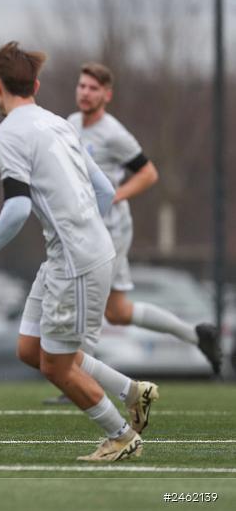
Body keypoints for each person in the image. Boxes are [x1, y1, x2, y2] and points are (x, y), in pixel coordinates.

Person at [0, 42, 156, 462]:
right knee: (30, 349)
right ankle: (131, 391)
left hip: (75, 261)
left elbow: (17, 207)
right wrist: (84, 231)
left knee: (56, 366)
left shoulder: (8, 133)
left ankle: (121, 435)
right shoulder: (59, 123)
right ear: (37, 85)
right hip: (68, 255)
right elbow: (104, 190)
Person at [68, 63, 221, 373]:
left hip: (111, 228)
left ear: (107, 95)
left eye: (93, 88)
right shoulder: (71, 123)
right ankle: (196, 335)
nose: (85, 92)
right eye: (82, 86)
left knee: (87, 295)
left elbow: (149, 173)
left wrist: (115, 195)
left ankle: (77, 378)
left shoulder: (113, 133)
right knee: (118, 312)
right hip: (89, 226)